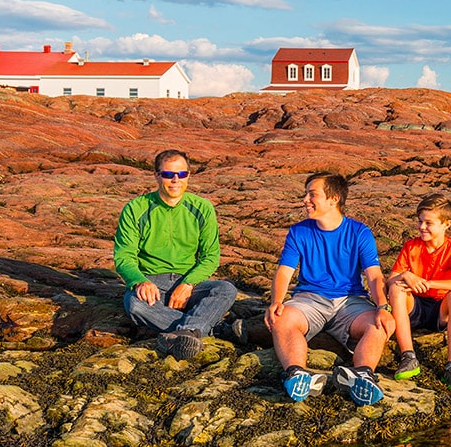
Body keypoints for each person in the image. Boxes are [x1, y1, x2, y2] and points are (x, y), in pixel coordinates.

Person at [265, 172, 395, 404]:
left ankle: (362, 375)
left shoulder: (359, 232)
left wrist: (383, 306)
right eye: (305, 194)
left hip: (350, 301)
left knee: (382, 324)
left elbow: (374, 275)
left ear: (334, 199)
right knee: (281, 318)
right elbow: (285, 271)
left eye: (312, 194)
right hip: (309, 299)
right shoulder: (299, 231)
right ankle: (297, 373)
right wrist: (277, 301)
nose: (305, 199)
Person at [113, 149, 237, 361]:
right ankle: (208, 329)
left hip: (189, 283)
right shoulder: (135, 208)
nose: (175, 180)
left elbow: (210, 256)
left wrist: (188, 284)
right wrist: (139, 281)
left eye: (182, 174)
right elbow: (124, 256)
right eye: (168, 174)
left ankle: (185, 332)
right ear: (156, 175)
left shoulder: (202, 208)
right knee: (135, 305)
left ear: (188, 175)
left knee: (225, 289)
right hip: (152, 285)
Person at [386, 193, 451, 394]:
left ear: (446, 224)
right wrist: (406, 275)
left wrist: (430, 283)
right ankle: (408, 356)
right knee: (396, 288)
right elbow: (390, 280)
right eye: (420, 221)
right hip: (414, 308)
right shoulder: (411, 246)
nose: (422, 227)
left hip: (439, 311)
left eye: (428, 223)